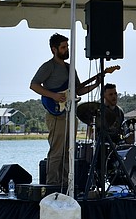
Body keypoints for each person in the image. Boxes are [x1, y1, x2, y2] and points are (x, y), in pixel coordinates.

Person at [30, 33, 106, 188]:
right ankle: (52, 184)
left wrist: (96, 83)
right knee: (57, 151)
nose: (66, 50)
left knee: (69, 151)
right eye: (63, 47)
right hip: (56, 114)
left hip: (71, 114)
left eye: (67, 47)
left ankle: (66, 183)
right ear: (54, 49)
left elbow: (78, 90)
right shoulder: (48, 66)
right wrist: (54, 95)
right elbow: (34, 85)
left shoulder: (70, 68)